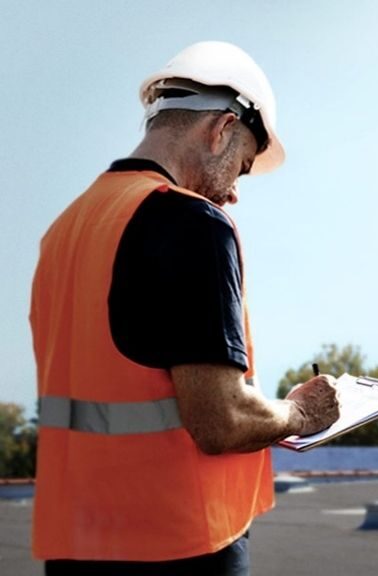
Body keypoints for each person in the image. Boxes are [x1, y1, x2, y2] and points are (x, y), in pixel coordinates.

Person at [29, 41, 340, 576]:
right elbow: (219, 420)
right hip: (177, 545)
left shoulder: (67, 229)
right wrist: (302, 414)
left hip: (76, 545)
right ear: (221, 129)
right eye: (240, 169)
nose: (234, 195)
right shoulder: (191, 222)